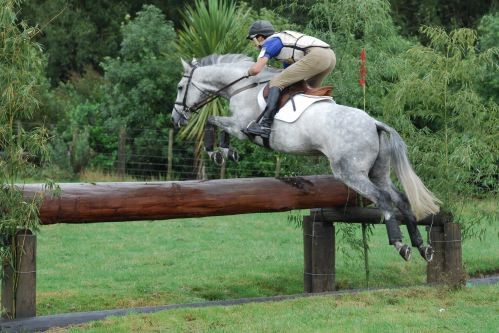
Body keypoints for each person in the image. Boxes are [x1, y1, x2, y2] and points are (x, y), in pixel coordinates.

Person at [243, 20, 336, 139]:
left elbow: (256, 69)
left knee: (276, 82)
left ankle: (265, 126)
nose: (254, 44)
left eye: (253, 40)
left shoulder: (271, 41)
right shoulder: (282, 40)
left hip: (317, 56)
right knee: (306, 90)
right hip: (330, 56)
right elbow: (289, 71)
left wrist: (247, 72)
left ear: (260, 37)